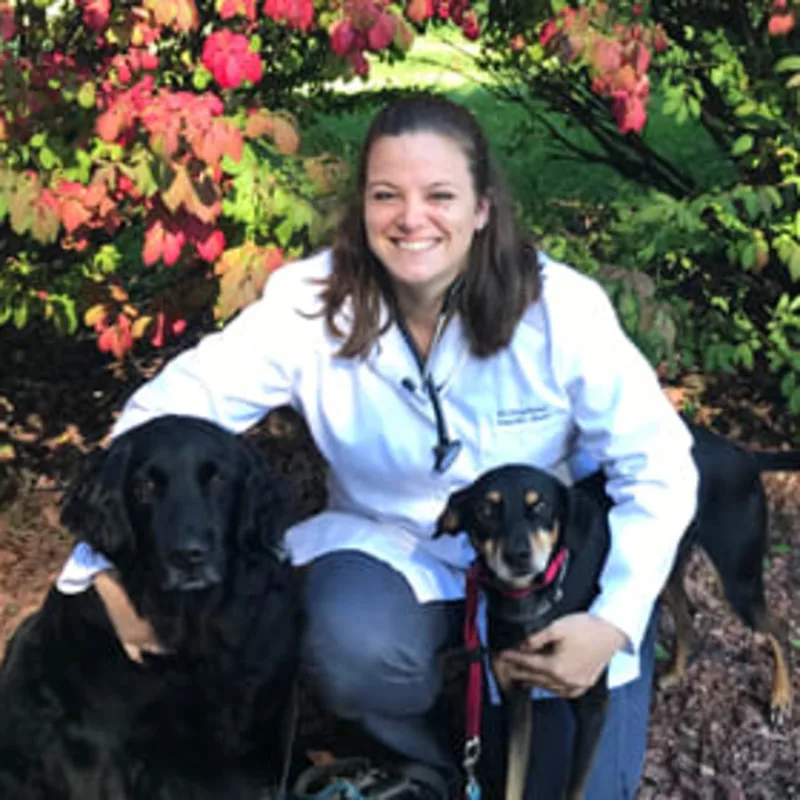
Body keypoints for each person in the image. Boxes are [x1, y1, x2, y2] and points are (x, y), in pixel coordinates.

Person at [57, 93, 698, 799]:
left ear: (483, 207)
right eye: (386, 194)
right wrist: (106, 573)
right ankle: (426, 766)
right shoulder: (310, 304)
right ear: (362, 207)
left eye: (440, 195)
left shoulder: (559, 310)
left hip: (542, 570)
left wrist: (613, 620)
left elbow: (659, 463)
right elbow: (161, 418)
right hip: (392, 553)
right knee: (349, 637)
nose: (411, 218)